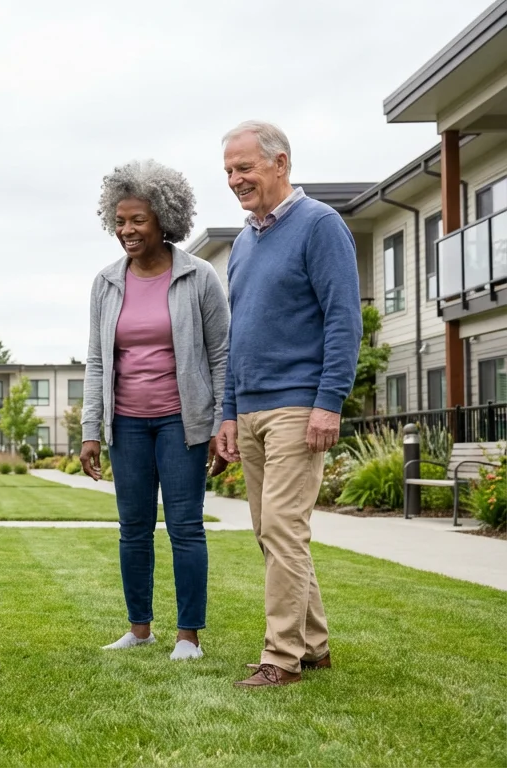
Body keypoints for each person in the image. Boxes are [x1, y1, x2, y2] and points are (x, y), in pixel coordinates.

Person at [215, 121, 361, 688]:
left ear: (280, 163)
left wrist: (329, 401)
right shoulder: (245, 241)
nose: (235, 179)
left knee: (282, 528)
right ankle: (316, 645)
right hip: (250, 408)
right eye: (228, 170)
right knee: (273, 533)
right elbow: (238, 337)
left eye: (244, 167)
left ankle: (282, 658)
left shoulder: (320, 225)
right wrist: (228, 412)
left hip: (298, 406)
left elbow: (344, 320)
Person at [80, 160, 230, 662]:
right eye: (120, 221)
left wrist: (219, 423)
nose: (127, 230)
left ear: (164, 218)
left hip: (181, 421)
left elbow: (221, 355)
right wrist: (91, 430)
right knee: (133, 528)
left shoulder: (198, 276)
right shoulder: (105, 283)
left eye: (138, 220)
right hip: (127, 424)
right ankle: (139, 628)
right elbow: (98, 361)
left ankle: (189, 636)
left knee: (186, 526)